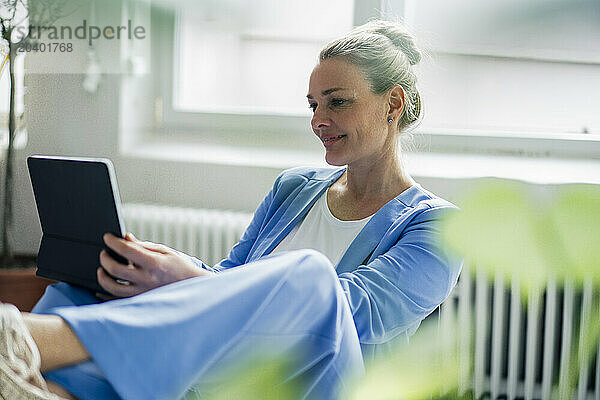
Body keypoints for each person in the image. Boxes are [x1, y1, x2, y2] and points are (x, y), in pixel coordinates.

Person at [0, 20, 462, 400]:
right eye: (313, 105)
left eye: (337, 102)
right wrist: (157, 269)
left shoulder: (437, 225)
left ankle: (25, 340)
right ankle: (46, 390)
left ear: (394, 103)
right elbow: (234, 276)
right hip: (232, 371)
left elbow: (351, 317)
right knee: (88, 292)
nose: (318, 120)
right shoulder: (294, 187)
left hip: (321, 384)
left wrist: (190, 281)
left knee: (311, 277)